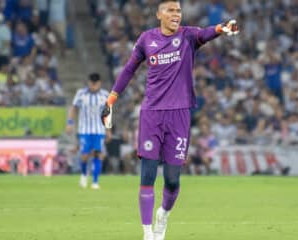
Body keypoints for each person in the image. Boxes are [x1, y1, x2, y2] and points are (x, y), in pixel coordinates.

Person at [100, 1, 239, 239]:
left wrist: (221, 28)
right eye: (170, 11)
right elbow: (129, 70)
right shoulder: (146, 39)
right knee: (147, 175)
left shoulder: (188, 36)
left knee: (172, 181)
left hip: (179, 115)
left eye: (178, 11)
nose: (176, 14)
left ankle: (163, 214)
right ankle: (147, 233)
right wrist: (111, 99)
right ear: (159, 15)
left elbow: (207, 33)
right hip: (151, 114)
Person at [66, 73, 110, 189]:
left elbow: (107, 113)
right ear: (88, 83)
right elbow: (73, 108)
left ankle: (95, 182)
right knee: (85, 155)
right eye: (92, 84)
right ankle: (84, 175)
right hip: (84, 129)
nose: (94, 86)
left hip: (99, 129)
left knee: (98, 154)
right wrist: (69, 123)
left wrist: (108, 130)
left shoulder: (105, 95)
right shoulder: (81, 94)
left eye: (96, 84)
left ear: (99, 83)